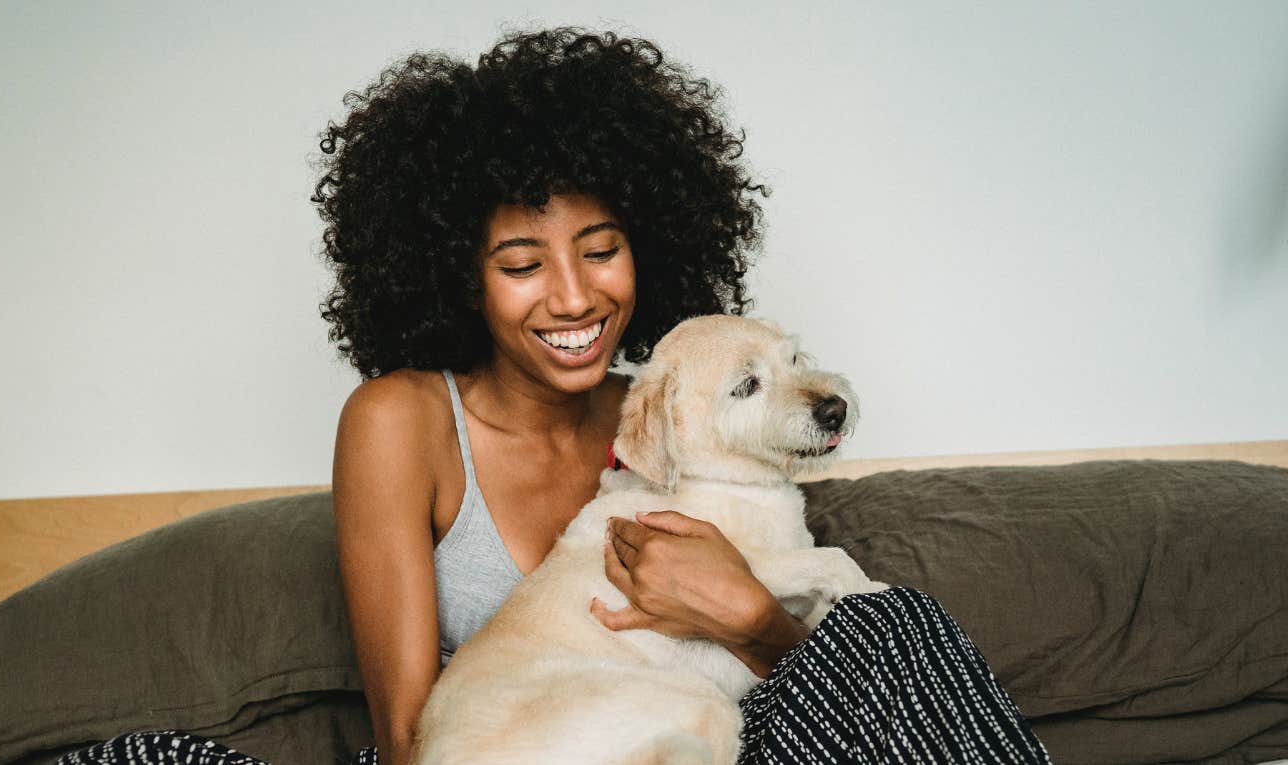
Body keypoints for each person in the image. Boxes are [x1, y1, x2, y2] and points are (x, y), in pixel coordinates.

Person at [61, 27, 1050, 765]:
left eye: (601, 249)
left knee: (895, 626)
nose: (573, 297)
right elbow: (412, 735)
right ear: (458, 271)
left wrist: (749, 618)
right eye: (521, 261)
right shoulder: (401, 420)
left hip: (700, 743)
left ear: (648, 248)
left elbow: (810, 688)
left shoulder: (682, 413)